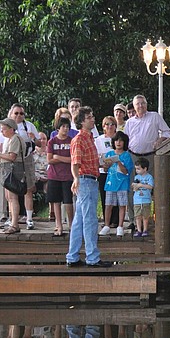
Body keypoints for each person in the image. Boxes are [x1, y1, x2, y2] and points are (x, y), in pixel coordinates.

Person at [66, 106, 111, 268]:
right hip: (85, 181)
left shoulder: (90, 138)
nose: (93, 119)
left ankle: (72, 256)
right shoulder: (79, 139)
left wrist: (103, 163)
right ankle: (92, 258)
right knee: (90, 219)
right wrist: (76, 179)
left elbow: (88, 161)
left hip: (91, 179)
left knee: (79, 220)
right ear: (82, 121)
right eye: (90, 117)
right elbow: (75, 163)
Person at [124, 94, 170, 227]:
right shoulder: (129, 122)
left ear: (146, 104)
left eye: (143, 103)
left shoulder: (154, 116)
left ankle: (152, 218)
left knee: (152, 186)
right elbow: (126, 141)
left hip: (150, 156)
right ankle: (134, 220)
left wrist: (160, 140)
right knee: (132, 187)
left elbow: (167, 132)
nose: (140, 106)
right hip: (133, 156)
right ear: (134, 106)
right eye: (138, 104)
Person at [0, 104, 41, 230]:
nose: (19, 116)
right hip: (8, 163)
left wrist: (33, 139)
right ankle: (13, 218)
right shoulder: (6, 127)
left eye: (21, 113)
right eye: (16, 113)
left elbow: (40, 143)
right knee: (10, 192)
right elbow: (2, 145)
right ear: (11, 114)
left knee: (27, 189)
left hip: (25, 160)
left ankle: (28, 218)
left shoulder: (28, 126)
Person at [100, 131, 134, 238]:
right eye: (116, 141)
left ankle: (120, 226)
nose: (118, 143)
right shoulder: (109, 154)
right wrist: (106, 165)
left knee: (122, 205)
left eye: (121, 141)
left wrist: (118, 162)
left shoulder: (127, 156)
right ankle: (106, 225)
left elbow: (126, 171)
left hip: (123, 184)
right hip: (110, 183)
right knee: (108, 205)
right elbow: (105, 170)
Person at [47, 117, 74, 237]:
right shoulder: (52, 142)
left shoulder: (71, 141)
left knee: (68, 201)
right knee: (56, 201)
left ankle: (71, 224)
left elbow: (73, 159)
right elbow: (49, 160)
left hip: (68, 175)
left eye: (68, 127)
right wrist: (57, 159)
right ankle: (58, 225)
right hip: (54, 175)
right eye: (63, 126)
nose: (66, 129)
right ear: (58, 128)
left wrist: (58, 158)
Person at [0, 118, 23, 234]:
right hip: (7, 169)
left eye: (4, 129)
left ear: (11, 129)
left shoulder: (15, 139)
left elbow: (12, 157)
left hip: (13, 169)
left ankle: (15, 224)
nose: (2, 132)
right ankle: (12, 221)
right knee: (9, 197)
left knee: (13, 197)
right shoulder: (9, 139)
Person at [96, 116, 120, 229]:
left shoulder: (118, 138)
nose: (109, 126)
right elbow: (98, 154)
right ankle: (107, 220)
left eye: (112, 124)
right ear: (103, 126)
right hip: (103, 171)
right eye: (107, 124)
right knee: (104, 196)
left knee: (116, 195)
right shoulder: (99, 139)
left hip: (116, 171)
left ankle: (115, 220)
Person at [132, 157, 154, 238]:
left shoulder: (149, 177)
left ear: (145, 169)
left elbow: (150, 186)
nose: (137, 171)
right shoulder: (136, 177)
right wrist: (135, 186)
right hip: (137, 200)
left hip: (146, 199)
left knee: (145, 216)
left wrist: (141, 185)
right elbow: (134, 188)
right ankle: (139, 230)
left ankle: (145, 229)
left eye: (138, 169)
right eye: (136, 169)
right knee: (137, 216)